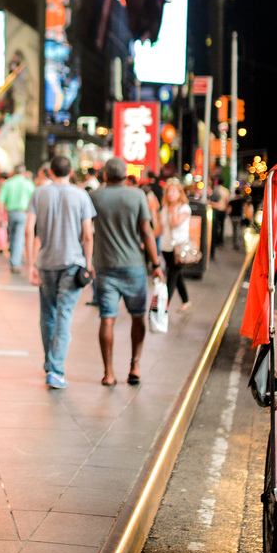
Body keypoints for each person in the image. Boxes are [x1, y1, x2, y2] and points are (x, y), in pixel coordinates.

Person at [88, 160, 162, 387]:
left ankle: (109, 373)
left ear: (105, 175)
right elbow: (147, 233)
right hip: (133, 267)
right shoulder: (137, 195)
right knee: (138, 316)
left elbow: (86, 230)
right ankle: (135, 365)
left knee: (107, 319)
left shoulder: (95, 197)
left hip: (105, 267)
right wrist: (156, 263)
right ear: (124, 175)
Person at [26, 155, 95, 389]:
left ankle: (50, 362)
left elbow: (29, 229)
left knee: (48, 313)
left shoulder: (39, 193)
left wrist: (30, 263)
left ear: (50, 171)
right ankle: (56, 370)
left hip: (46, 262)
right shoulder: (81, 195)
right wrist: (88, 261)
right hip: (72, 262)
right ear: (71, 171)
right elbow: (87, 234)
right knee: (64, 314)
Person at [158, 179, 192, 312]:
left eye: (173, 191)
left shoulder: (184, 208)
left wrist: (173, 209)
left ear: (179, 192)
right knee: (177, 275)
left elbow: (174, 224)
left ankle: (164, 306)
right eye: (168, 191)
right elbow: (160, 228)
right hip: (166, 247)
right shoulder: (165, 208)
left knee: (172, 275)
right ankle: (186, 300)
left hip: (180, 249)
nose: (170, 194)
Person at [0, 165, 35, 272]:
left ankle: (14, 259)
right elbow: (33, 200)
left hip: (11, 213)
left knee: (13, 236)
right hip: (23, 213)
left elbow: (0, 200)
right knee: (18, 237)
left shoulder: (8, 183)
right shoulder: (28, 184)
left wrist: (0, 215)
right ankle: (15, 261)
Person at [208, 178, 230, 255]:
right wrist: (226, 208)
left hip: (216, 209)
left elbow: (212, 199)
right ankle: (220, 241)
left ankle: (216, 240)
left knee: (215, 227)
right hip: (223, 210)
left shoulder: (216, 189)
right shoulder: (226, 191)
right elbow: (227, 201)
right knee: (222, 226)